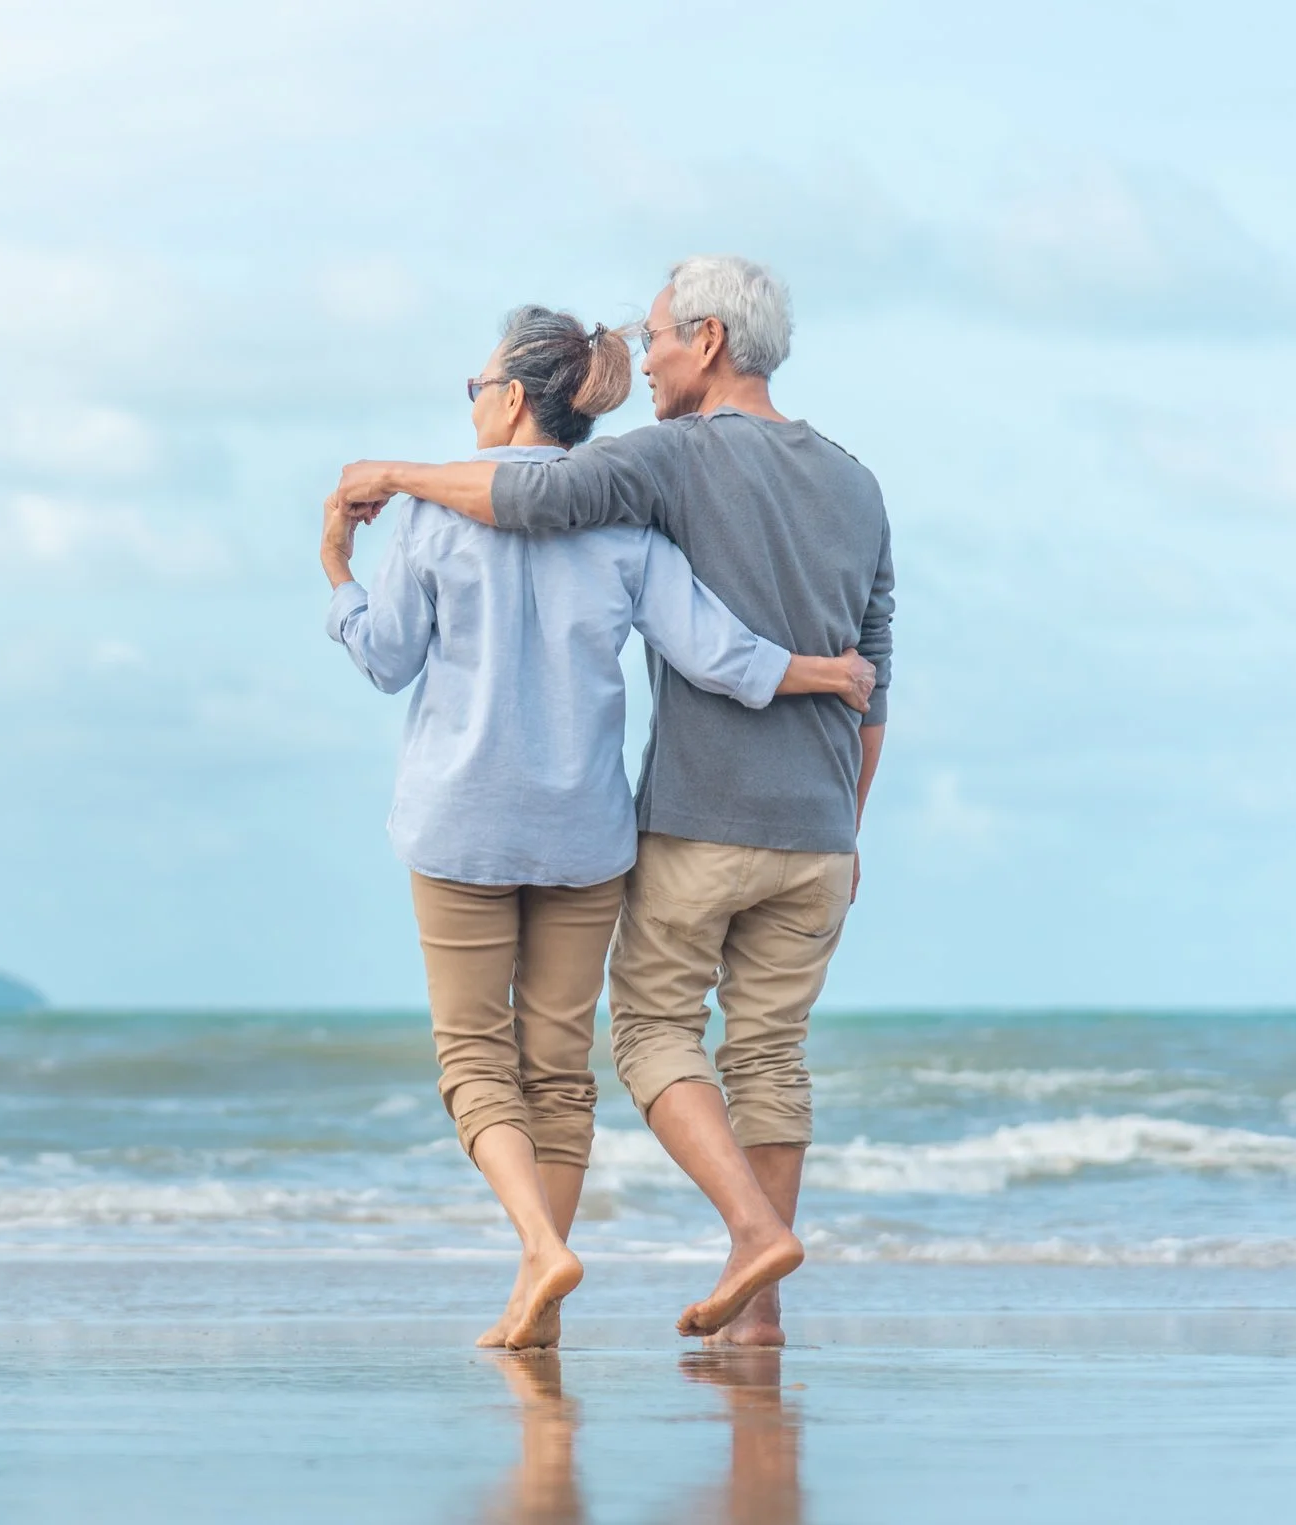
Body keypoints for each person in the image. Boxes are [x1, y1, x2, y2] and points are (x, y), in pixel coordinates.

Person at [328, 257, 895, 1347]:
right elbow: (772, 656)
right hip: (677, 833)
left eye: (659, 338)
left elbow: (418, 621)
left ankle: (571, 1253)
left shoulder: (581, 486)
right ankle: (735, 1310)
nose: (649, 360)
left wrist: (356, 537)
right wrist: (827, 712)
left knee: (531, 1049)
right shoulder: (793, 496)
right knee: (620, 1064)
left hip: (547, 823)